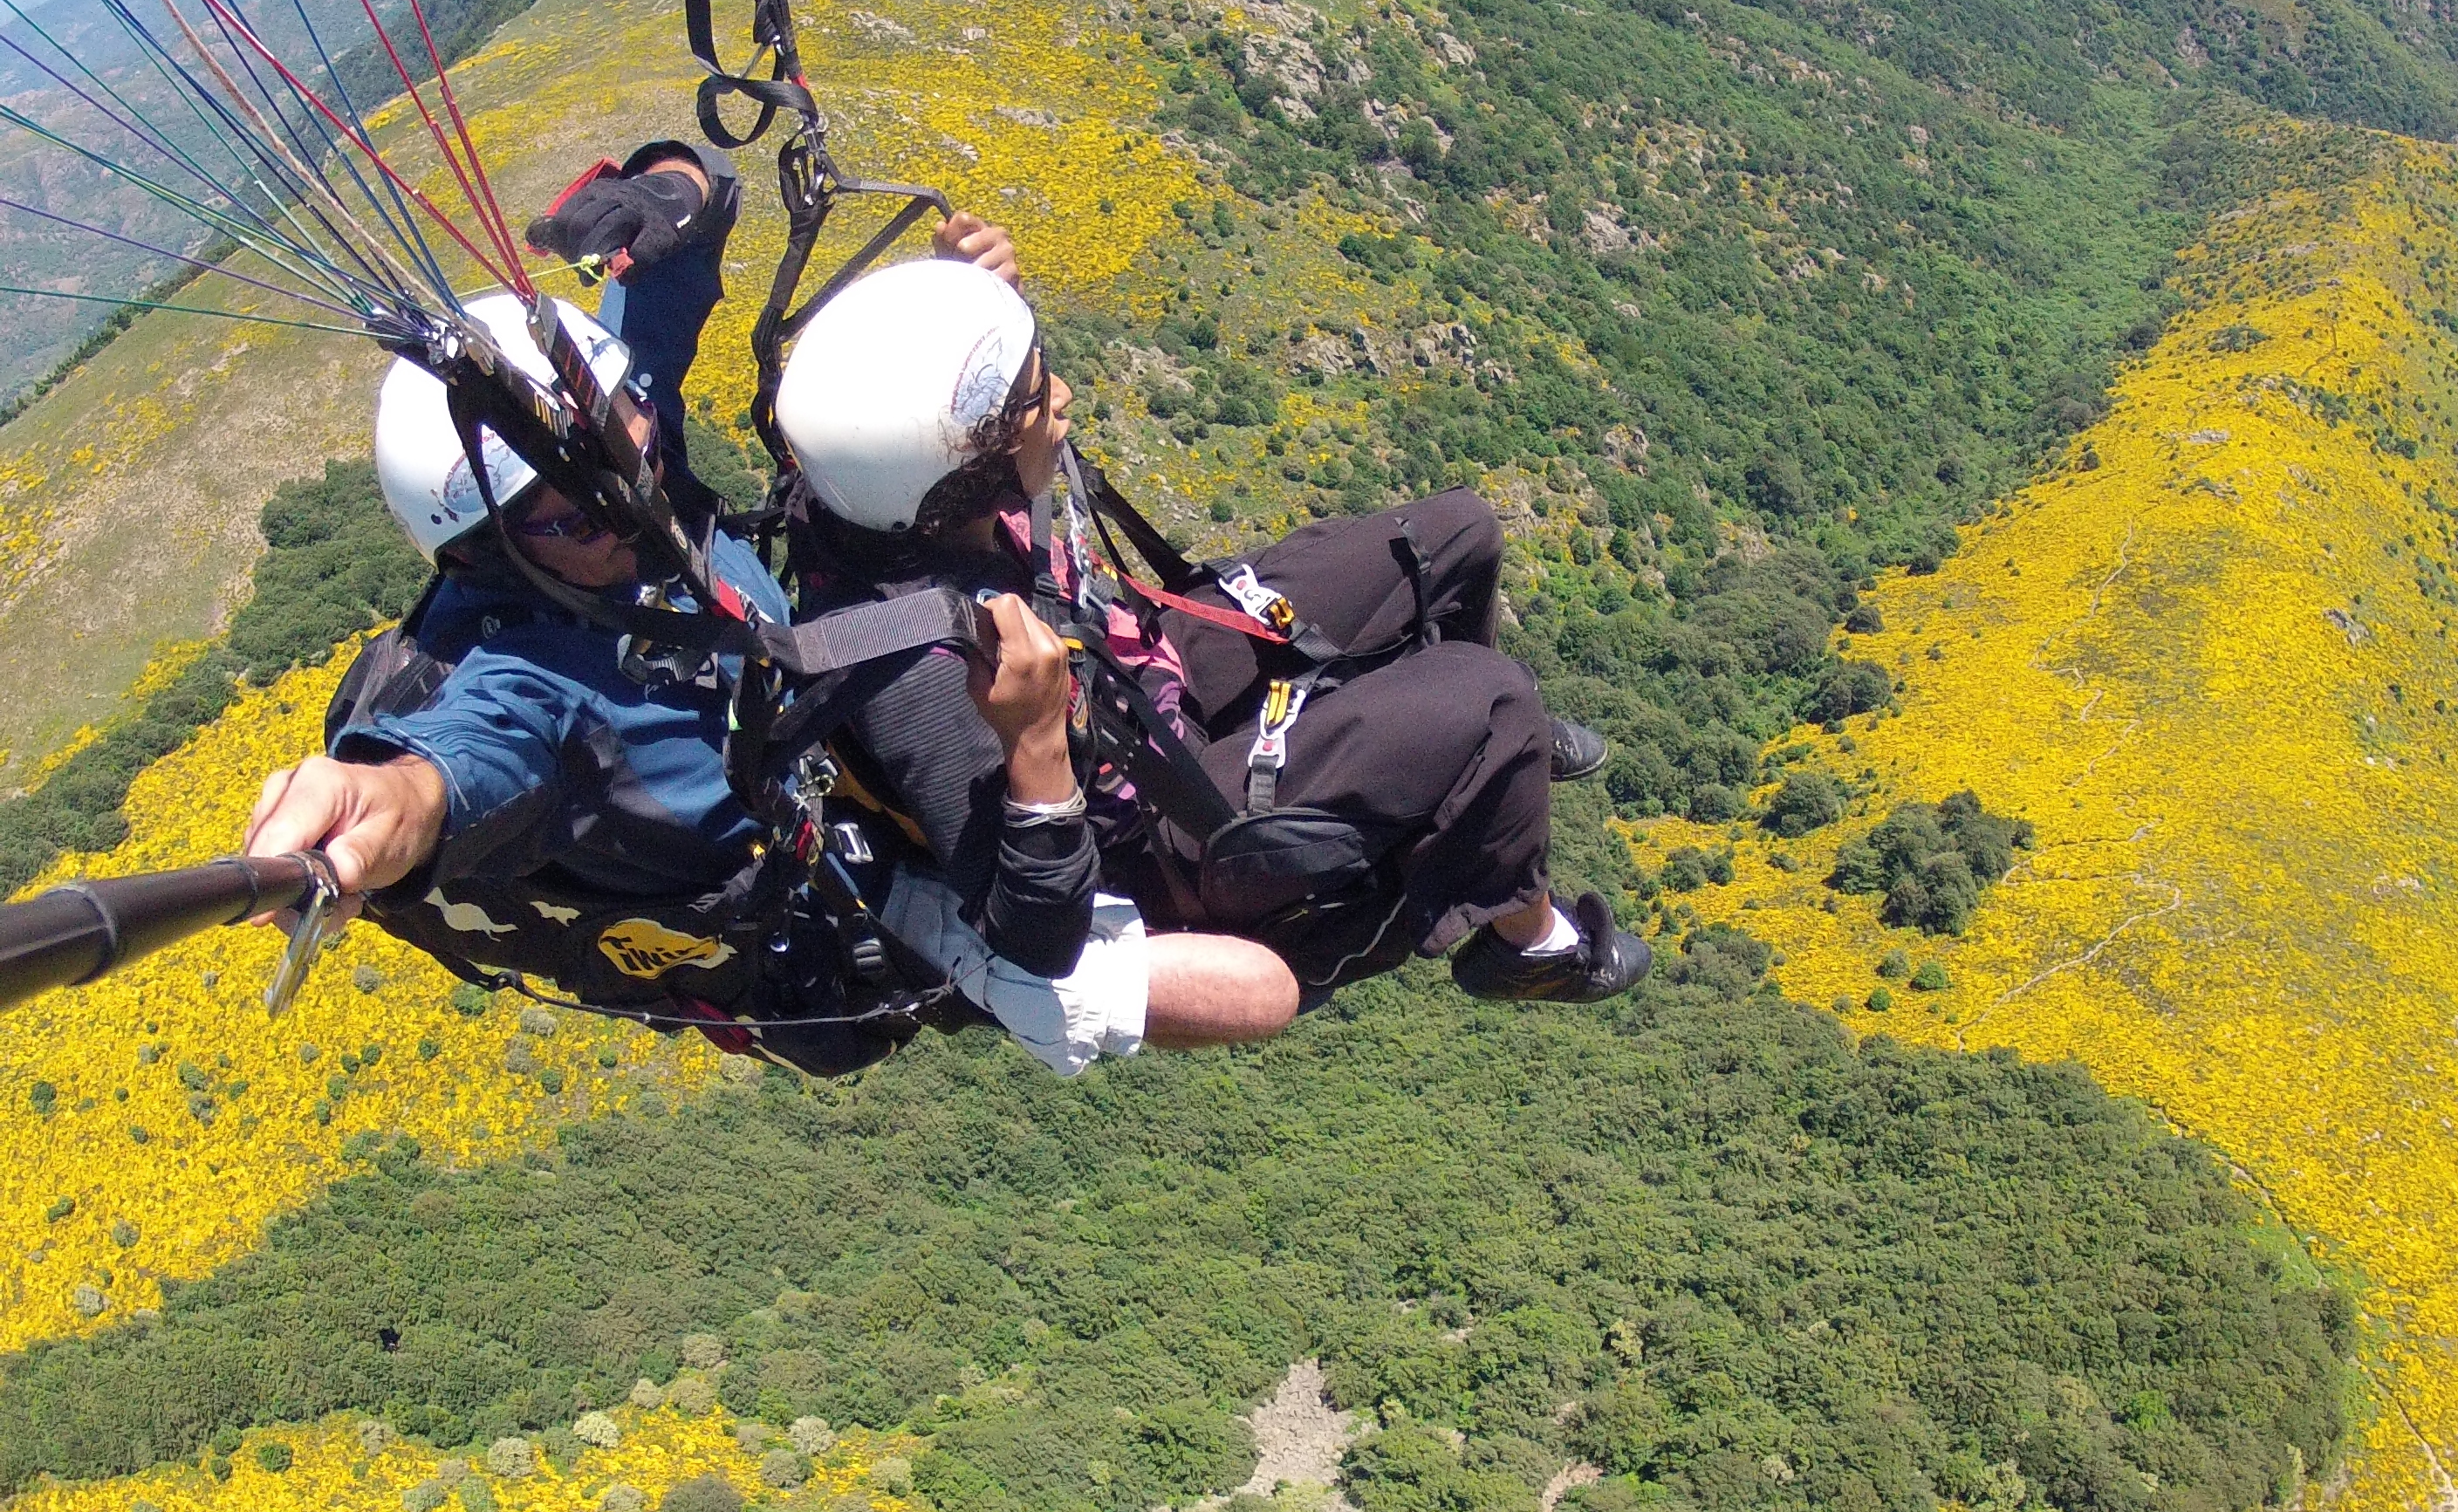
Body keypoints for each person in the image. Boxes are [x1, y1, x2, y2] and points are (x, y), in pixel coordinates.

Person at [240, 243, 1297, 1078]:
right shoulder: (535, 683)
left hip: (814, 730)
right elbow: (460, 764)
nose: (629, 487)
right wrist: (389, 798)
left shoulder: (612, 454)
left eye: (630, 436)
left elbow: (673, 265)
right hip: (833, 890)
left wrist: (668, 190)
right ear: (490, 554)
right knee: (1217, 991)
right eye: (573, 514)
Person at [770, 259, 1652, 1010]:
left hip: (1138, 668)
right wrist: (1036, 745)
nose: (1065, 398)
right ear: (964, 473)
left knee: (1459, 534)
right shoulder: (922, 675)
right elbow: (1034, 939)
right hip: (1162, 827)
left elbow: (891, 401)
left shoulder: (877, 494)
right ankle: (1525, 940)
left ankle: (1484, 765)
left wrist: (971, 300)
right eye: (1040, 397)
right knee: (1494, 701)